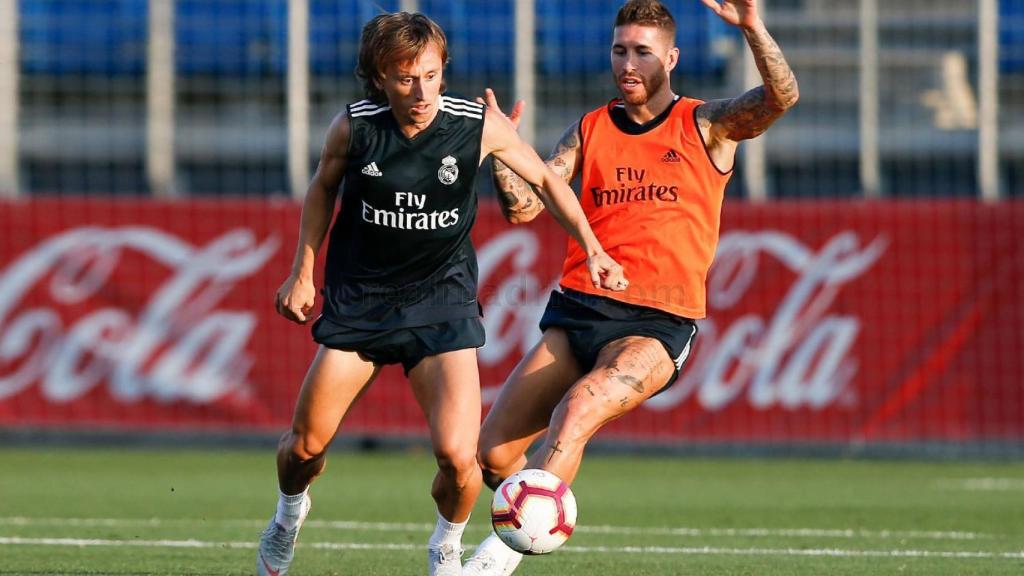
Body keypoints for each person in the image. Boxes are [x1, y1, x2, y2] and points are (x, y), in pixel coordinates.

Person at [256, 11, 626, 576]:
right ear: (379, 77)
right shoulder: (354, 127)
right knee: (304, 448)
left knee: (459, 457)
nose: (422, 92)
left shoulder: (476, 126)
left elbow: (547, 180)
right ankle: (288, 514)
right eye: (407, 79)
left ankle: (445, 547)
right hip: (363, 302)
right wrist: (302, 271)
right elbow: (322, 188)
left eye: (431, 75)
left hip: (441, 304)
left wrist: (593, 247)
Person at [463, 1, 798, 574]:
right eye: (620, 50)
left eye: (643, 52)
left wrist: (753, 28)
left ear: (671, 58)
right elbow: (522, 209)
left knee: (579, 409)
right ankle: (540, 504)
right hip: (578, 312)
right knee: (493, 454)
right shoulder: (589, 129)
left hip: (656, 323)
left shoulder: (705, 124)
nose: (628, 63)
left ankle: (498, 556)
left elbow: (780, 99)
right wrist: (501, 150)